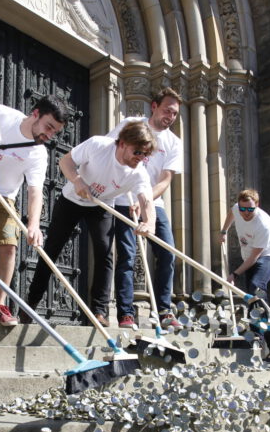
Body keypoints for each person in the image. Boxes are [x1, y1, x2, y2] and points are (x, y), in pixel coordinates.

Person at [21, 122, 156, 326]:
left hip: (101, 206)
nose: (140, 158)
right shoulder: (98, 146)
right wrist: (77, 180)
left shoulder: (138, 172)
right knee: (51, 250)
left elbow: (146, 200)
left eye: (145, 155)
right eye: (137, 151)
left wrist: (149, 223)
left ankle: (99, 312)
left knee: (104, 254)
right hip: (71, 200)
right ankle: (30, 304)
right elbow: (65, 161)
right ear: (122, 144)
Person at [0, 97, 69, 326]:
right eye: (49, 127)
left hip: (5, 196)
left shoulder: (38, 153)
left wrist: (33, 225)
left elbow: (35, 191)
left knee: (9, 246)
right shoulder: (0, 115)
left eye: (55, 132)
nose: (50, 135)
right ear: (35, 113)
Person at [107, 87, 183, 330]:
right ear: (154, 106)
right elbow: (111, 151)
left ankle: (163, 310)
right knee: (127, 256)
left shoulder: (173, 142)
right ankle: (126, 314)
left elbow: (165, 179)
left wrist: (144, 200)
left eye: (174, 114)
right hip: (122, 199)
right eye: (167, 110)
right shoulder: (131, 123)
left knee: (167, 253)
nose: (170, 117)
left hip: (152, 202)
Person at [219, 189, 270, 355]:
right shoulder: (237, 209)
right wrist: (224, 231)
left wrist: (234, 274)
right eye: (243, 209)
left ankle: (259, 335)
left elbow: (254, 258)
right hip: (249, 256)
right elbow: (231, 214)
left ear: (257, 206)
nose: (245, 213)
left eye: (250, 209)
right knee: (253, 298)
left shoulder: (263, 224)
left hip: (268, 255)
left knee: (256, 288)